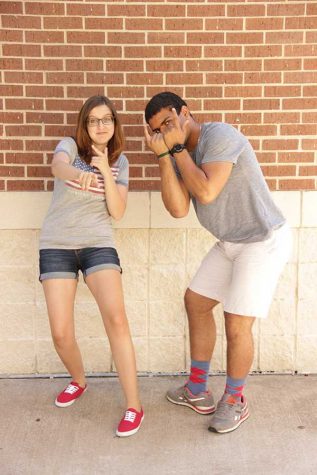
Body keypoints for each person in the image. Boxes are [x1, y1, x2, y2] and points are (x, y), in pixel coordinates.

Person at [144, 91, 292, 434]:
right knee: (195, 302)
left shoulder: (220, 135)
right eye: (157, 130)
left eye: (169, 123)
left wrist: (176, 149)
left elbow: (207, 192)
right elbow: (179, 209)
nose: (166, 132)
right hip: (230, 241)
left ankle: (234, 400)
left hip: (262, 239)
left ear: (186, 112)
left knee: (236, 323)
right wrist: (165, 155)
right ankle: (197, 389)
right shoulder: (177, 152)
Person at [39, 95, 143, 437]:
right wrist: (77, 174)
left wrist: (103, 171)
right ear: (85, 125)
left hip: (98, 243)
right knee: (60, 332)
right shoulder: (69, 146)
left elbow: (118, 211)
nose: (101, 126)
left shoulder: (121, 162)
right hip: (57, 244)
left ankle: (133, 406)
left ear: (115, 125)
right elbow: (57, 167)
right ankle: (79, 380)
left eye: (107, 120)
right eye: (94, 120)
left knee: (116, 319)